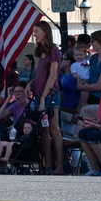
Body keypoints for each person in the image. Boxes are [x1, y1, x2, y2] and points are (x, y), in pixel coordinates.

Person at [28, 20, 63, 175]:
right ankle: (47, 164)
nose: (34, 35)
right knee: (43, 130)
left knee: (54, 129)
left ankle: (60, 165)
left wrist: (43, 97)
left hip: (50, 95)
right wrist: (31, 83)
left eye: (36, 32)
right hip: (39, 94)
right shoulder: (40, 50)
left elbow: (53, 76)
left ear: (45, 31)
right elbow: (42, 74)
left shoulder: (53, 50)